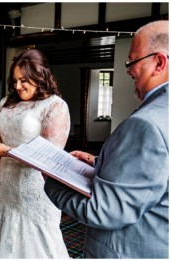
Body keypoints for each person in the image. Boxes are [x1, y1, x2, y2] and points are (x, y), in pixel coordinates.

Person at [44, 20, 168, 258]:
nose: (129, 69)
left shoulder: (147, 123)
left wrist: (50, 178)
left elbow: (104, 211)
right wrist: (101, 163)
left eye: (132, 61)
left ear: (159, 63)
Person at [0, 48, 71, 258]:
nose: (17, 86)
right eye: (14, 80)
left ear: (39, 76)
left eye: (24, 80)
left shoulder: (54, 106)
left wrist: (5, 151)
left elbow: (49, 157)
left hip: (35, 190)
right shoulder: (7, 102)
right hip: (6, 187)